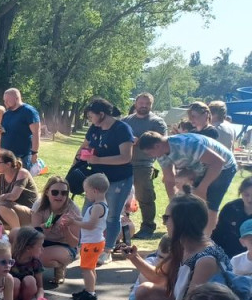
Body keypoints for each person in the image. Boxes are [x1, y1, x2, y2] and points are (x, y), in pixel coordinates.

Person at [123, 190, 231, 300]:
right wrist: (134, 258)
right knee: (143, 290)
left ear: (182, 222)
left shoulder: (206, 260)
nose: (164, 223)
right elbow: (160, 278)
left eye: (166, 218)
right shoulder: (182, 244)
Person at [137, 131, 236, 234]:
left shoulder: (186, 145)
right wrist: (173, 202)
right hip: (198, 167)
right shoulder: (161, 154)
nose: (150, 156)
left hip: (224, 167)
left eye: (149, 153)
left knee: (209, 204)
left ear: (157, 146)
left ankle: (208, 238)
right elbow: (169, 179)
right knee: (188, 198)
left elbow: (218, 162)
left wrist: (202, 188)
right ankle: (191, 233)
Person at [77, 98, 134, 265]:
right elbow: (85, 146)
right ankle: (84, 245)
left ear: (101, 114)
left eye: (91, 116)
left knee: (113, 215)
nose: (90, 120)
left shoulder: (122, 129)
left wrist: (98, 160)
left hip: (118, 179)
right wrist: (78, 161)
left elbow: (126, 157)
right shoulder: (95, 128)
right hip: (96, 179)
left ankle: (107, 250)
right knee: (87, 211)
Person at [122, 93, 168, 239]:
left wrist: (139, 141)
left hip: (144, 164)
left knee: (145, 196)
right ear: (135, 103)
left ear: (151, 105)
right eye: (141, 103)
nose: (143, 106)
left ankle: (148, 227)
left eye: (147, 103)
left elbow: (161, 142)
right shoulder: (126, 120)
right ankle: (123, 225)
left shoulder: (157, 122)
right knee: (122, 196)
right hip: (124, 163)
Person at [31, 176, 81, 285]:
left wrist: (66, 231)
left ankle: (60, 266)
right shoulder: (39, 205)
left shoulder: (73, 210)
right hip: (43, 241)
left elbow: (74, 243)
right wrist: (43, 230)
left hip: (65, 245)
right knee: (18, 242)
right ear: (47, 192)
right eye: (55, 192)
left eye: (64, 193)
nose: (59, 196)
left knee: (39, 257)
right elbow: (34, 234)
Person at [0, 150, 37, 229]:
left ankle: (16, 232)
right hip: (11, 210)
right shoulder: (0, 176)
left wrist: (1, 198)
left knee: (3, 206)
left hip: (30, 212)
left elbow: (13, 196)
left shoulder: (22, 173)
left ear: (8, 164)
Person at [0, 88, 41, 169]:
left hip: (23, 156)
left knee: (22, 177)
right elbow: (6, 132)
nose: (5, 103)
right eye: (4, 100)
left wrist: (34, 153)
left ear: (17, 98)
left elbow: (36, 133)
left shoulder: (29, 111)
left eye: (8, 100)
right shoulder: (6, 114)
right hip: (6, 155)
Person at [212, 177, 252, 256]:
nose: (250, 199)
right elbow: (218, 233)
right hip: (224, 253)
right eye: (246, 195)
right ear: (241, 192)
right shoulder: (230, 208)